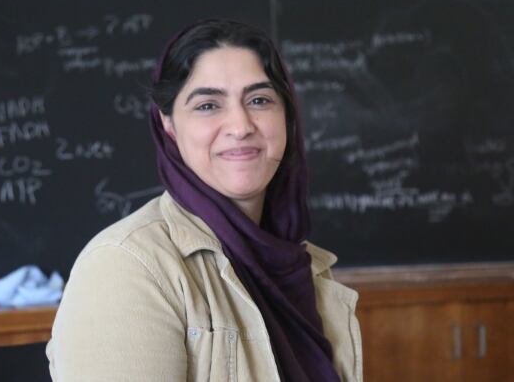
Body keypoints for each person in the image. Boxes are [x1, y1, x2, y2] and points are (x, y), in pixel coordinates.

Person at [47, 19, 363, 381]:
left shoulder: (301, 265)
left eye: (259, 100)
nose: (241, 125)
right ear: (168, 124)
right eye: (208, 105)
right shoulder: (125, 265)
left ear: (287, 117)